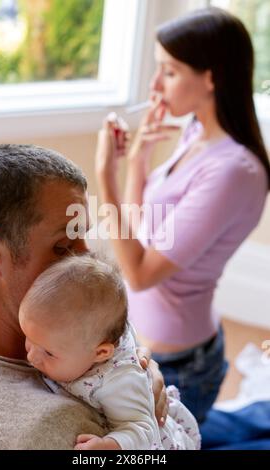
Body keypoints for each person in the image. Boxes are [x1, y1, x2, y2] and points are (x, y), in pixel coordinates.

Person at [95, 7, 270, 423]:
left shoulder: (233, 170)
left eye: (169, 72)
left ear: (210, 77)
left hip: (180, 365)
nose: (155, 85)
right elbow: (144, 231)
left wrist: (106, 174)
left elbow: (138, 272)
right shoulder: (196, 133)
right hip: (143, 340)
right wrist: (137, 161)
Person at [0, 144, 166, 450]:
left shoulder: (59, 316)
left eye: (83, 237)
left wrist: (134, 373)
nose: (87, 259)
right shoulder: (56, 430)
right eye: (62, 247)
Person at [19, 254, 201, 450]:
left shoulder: (118, 382)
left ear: (101, 353)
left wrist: (110, 444)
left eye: (48, 353)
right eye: (29, 338)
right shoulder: (84, 337)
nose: (31, 357)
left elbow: (144, 430)